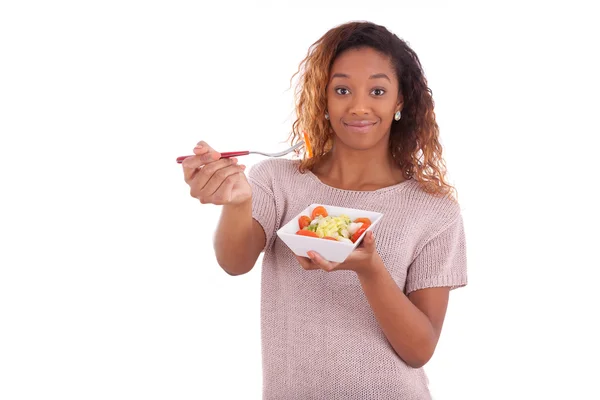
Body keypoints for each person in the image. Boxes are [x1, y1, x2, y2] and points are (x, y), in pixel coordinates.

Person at [182, 20, 467, 400]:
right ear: (324, 98)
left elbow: (419, 350)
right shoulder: (277, 181)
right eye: (342, 89)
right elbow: (235, 262)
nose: (359, 106)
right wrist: (237, 201)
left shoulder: (434, 210)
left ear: (400, 102)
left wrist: (370, 268)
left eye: (378, 91)